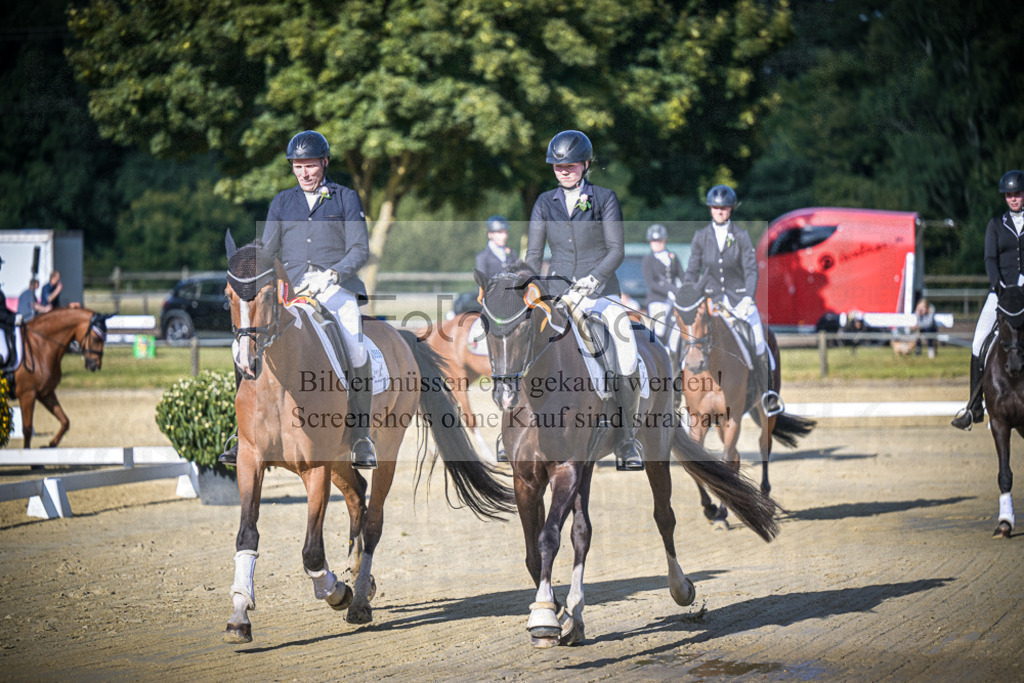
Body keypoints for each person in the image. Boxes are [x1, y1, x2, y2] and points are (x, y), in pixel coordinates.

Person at [222, 130, 376, 469]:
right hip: (289, 291)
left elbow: (360, 249)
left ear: (324, 163)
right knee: (244, 347)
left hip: (335, 287)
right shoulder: (281, 202)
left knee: (356, 348)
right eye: (297, 166)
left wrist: (333, 274)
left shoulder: (345, 198)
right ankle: (239, 433)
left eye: (310, 165)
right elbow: (267, 251)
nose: (304, 173)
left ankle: (361, 436)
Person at [524, 129, 644, 471]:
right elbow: (534, 254)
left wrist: (595, 278)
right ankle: (516, 429)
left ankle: (626, 438)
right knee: (525, 346)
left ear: (585, 165)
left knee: (625, 353)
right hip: (558, 293)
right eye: (557, 165)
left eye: (571, 165)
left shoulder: (604, 198)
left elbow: (616, 249)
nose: (564, 170)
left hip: (600, 292)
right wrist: (531, 286)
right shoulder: (544, 203)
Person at [684, 184, 782, 415]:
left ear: (731, 209)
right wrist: (689, 291)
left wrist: (748, 297)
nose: (720, 211)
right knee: (688, 337)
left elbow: (750, 270)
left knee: (758, 340)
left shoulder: (741, 236)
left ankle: (767, 393)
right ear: (710, 209)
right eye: (716, 207)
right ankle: (678, 391)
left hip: (739, 302)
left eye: (724, 208)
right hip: (712, 303)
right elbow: (692, 270)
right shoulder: (701, 237)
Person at [952, 170, 1024, 430]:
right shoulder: (995, 225)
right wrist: (998, 284)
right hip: (1001, 293)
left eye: (1017, 194)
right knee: (978, 341)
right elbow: (990, 259)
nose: (1013, 199)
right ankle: (974, 407)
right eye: (1009, 195)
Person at [641, 223, 684, 344]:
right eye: (654, 241)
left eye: (660, 240)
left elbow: (682, 276)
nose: (657, 243)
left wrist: (686, 290)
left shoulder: (673, 257)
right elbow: (651, 283)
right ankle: (662, 347)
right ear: (650, 242)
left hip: (675, 298)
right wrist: (669, 291)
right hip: (657, 299)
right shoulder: (648, 260)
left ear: (664, 240)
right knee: (660, 328)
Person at [475, 215, 517, 281]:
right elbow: (482, 283)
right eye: (500, 232)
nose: (504, 236)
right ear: (490, 234)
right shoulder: (482, 257)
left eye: (505, 232)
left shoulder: (512, 253)